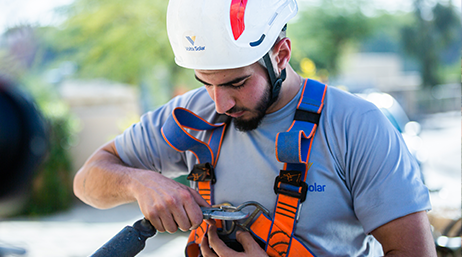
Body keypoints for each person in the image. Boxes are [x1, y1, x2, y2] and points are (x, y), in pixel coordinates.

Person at [73, 0, 436, 256]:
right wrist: (139, 182)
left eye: (236, 83)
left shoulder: (355, 126)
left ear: (280, 55)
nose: (219, 105)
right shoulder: (190, 115)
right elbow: (88, 181)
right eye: (205, 82)